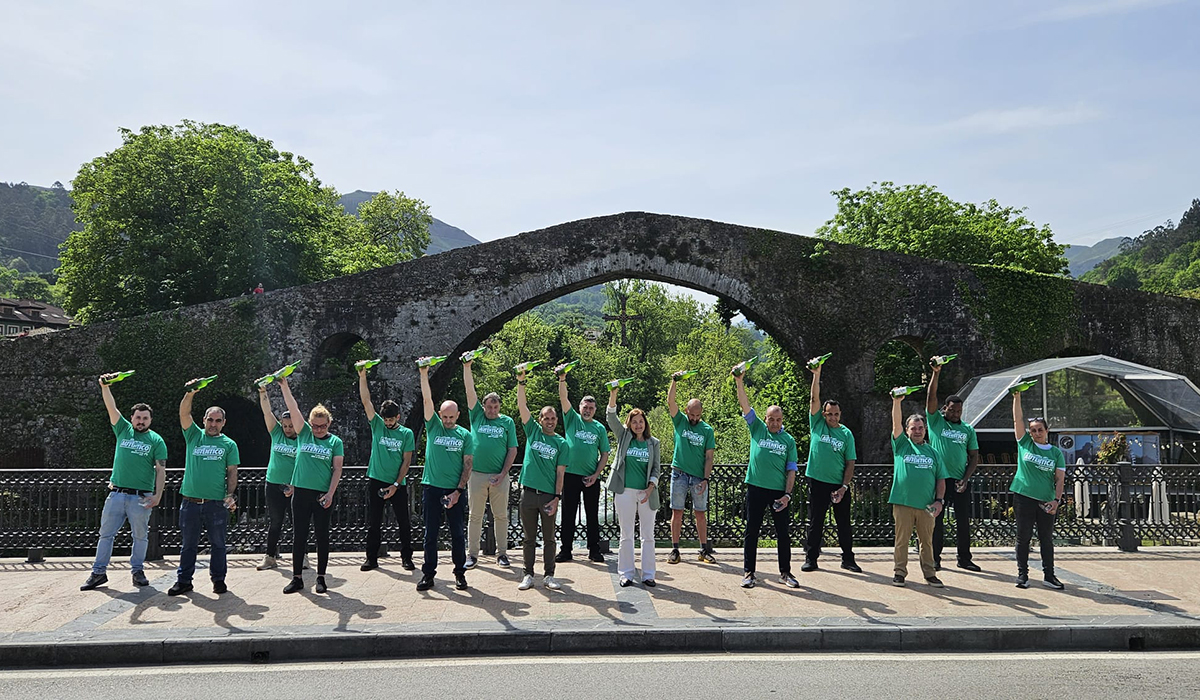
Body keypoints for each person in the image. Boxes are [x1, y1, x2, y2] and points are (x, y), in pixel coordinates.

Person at [80, 374, 167, 591]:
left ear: (150, 420)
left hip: (141, 496)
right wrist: (104, 386)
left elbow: (161, 470)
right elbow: (111, 406)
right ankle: (98, 573)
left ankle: (137, 571)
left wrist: (157, 496)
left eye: (145, 418)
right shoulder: (122, 429)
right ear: (132, 418)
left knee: (140, 536)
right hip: (117, 494)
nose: (141, 421)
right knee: (106, 535)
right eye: (138, 417)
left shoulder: (156, 441)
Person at [169, 380, 239, 596]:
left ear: (224, 423)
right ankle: (184, 581)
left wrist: (229, 494)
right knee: (188, 545)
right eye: (210, 420)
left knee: (218, 544)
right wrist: (190, 392)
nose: (213, 424)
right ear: (204, 420)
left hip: (216, 503)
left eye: (218, 421)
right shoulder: (194, 435)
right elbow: (183, 414)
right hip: (190, 501)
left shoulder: (229, 444)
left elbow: (232, 472)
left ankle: (218, 580)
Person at [733, 364, 799, 589]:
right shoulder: (758, 429)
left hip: (778, 492)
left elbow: (791, 469)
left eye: (778, 420)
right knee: (752, 530)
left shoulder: (789, 440)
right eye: (771, 419)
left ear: (782, 421)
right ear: (766, 418)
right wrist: (739, 380)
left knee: (783, 533)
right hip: (756, 487)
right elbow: (745, 405)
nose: (774, 423)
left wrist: (788, 495)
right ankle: (749, 572)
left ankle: (785, 573)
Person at [280, 376, 344, 594]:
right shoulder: (304, 433)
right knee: (299, 535)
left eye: (322, 426)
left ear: (328, 424)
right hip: (301, 493)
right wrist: (284, 385)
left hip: (321, 495)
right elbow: (293, 408)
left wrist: (330, 494)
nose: (317, 430)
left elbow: (337, 470)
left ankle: (321, 577)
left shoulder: (335, 442)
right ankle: (297, 577)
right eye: (315, 426)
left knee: (322, 536)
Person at [416, 361, 475, 591]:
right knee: (430, 534)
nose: (448, 421)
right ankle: (428, 574)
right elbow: (426, 400)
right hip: (432, 487)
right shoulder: (433, 427)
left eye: (452, 417)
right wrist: (424, 373)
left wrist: (458, 491)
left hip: (454, 490)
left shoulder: (465, 435)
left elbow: (468, 465)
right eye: (445, 417)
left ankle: (460, 573)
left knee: (458, 534)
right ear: (439, 415)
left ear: (458, 415)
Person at [802, 359, 860, 573]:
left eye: (836, 414)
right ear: (824, 414)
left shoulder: (846, 434)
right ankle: (811, 558)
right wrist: (817, 374)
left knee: (843, 523)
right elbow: (813, 398)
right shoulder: (816, 424)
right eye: (830, 414)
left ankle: (848, 559)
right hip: (817, 481)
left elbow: (850, 462)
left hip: (838, 484)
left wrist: (844, 487)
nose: (833, 417)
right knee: (816, 522)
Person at [358, 364, 415, 572]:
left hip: (397, 482)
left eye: (391, 419)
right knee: (374, 522)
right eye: (386, 419)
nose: (388, 423)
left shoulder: (406, 434)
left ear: (398, 417)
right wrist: (362, 375)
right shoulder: (378, 426)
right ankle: (371, 558)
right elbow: (366, 401)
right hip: (376, 479)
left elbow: (406, 461)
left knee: (404, 522)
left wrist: (396, 484)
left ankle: (407, 558)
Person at [515, 367, 569, 590]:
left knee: (549, 539)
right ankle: (528, 574)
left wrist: (557, 497)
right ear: (540, 419)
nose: (549, 421)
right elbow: (522, 405)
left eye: (553, 418)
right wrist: (521, 381)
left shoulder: (561, 443)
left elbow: (560, 473)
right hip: (528, 493)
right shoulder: (533, 432)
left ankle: (549, 575)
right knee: (528, 539)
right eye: (546, 418)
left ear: (557, 420)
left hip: (548, 496)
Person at [925, 360, 981, 572]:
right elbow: (930, 398)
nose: (956, 413)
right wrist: (935, 374)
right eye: (952, 410)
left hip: (959, 481)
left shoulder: (968, 430)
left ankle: (964, 558)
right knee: (936, 520)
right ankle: (935, 559)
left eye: (959, 410)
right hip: (938, 479)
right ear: (944, 409)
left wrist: (966, 479)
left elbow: (974, 456)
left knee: (963, 522)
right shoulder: (936, 422)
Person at [888, 390, 948, 588]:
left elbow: (941, 479)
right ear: (907, 430)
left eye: (921, 428)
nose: (918, 431)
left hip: (926, 505)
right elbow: (896, 423)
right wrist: (897, 403)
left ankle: (930, 573)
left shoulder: (933, 452)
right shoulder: (902, 446)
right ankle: (899, 573)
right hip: (903, 502)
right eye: (913, 428)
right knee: (901, 540)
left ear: (925, 430)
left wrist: (939, 501)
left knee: (927, 542)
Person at [605, 381, 661, 587]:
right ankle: (626, 574)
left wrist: (650, 487)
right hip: (625, 492)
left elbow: (656, 469)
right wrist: (614, 393)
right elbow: (611, 417)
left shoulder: (653, 443)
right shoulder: (624, 436)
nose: (638, 425)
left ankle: (648, 574)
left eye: (641, 421)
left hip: (646, 493)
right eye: (634, 421)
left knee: (648, 535)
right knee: (626, 534)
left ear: (645, 423)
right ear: (629, 424)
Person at [464, 358, 518, 569]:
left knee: (501, 516)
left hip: (499, 476)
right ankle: (472, 555)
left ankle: (502, 554)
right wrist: (467, 367)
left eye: (495, 406)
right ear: (484, 406)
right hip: (476, 475)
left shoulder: (507, 422)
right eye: (489, 406)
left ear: (499, 407)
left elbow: (512, 449)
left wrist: (504, 473)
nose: (492, 409)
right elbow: (470, 392)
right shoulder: (477, 416)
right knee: (475, 516)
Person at [1011, 387, 1067, 590]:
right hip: (1023, 496)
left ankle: (1049, 575)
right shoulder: (1025, 444)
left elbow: (1059, 480)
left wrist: (1056, 501)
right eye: (1033, 430)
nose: (1036, 433)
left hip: (1046, 500)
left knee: (1046, 539)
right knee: (1023, 537)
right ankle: (1022, 575)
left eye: (1039, 430)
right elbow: (1018, 421)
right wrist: (1017, 397)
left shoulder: (1055, 453)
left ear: (1046, 431)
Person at [556, 369, 610, 563]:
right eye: (585, 407)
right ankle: (566, 550)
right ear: (579, 407)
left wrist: (596, 474)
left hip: (590, 477)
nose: (587, 411)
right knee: (568, 514)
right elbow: (563, 397)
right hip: (570, 475)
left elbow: (605, 453)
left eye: (591, 408)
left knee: (592, 515)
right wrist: (562, 378)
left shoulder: (599, 428)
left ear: (595, 410)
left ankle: (594, 550)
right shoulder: (571, 418)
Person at [665, 372, 716, 565]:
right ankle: (675, 549)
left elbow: (709, 456)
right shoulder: (680, 421)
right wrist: (674, 381)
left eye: (698, 415)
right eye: (692, 414)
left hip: (697, 476)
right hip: (678, 473)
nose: (694, 418)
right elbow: (670, 402)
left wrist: (705, 479)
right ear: (686, 411)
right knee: (677, 511)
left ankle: (703, 549)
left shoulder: (707, 430)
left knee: (700, 512)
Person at [255, 381, 298, 571]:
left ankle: (302, 557)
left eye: (291, 425)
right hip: (273, 484)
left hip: (295, 486)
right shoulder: (276, 434)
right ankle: (270, 557)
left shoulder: (303, 439)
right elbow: (267, 412)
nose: (288, 428)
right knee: (276, 522)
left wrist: (295, 485)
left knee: (299, 523)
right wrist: (263, 391)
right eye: (285, 425)